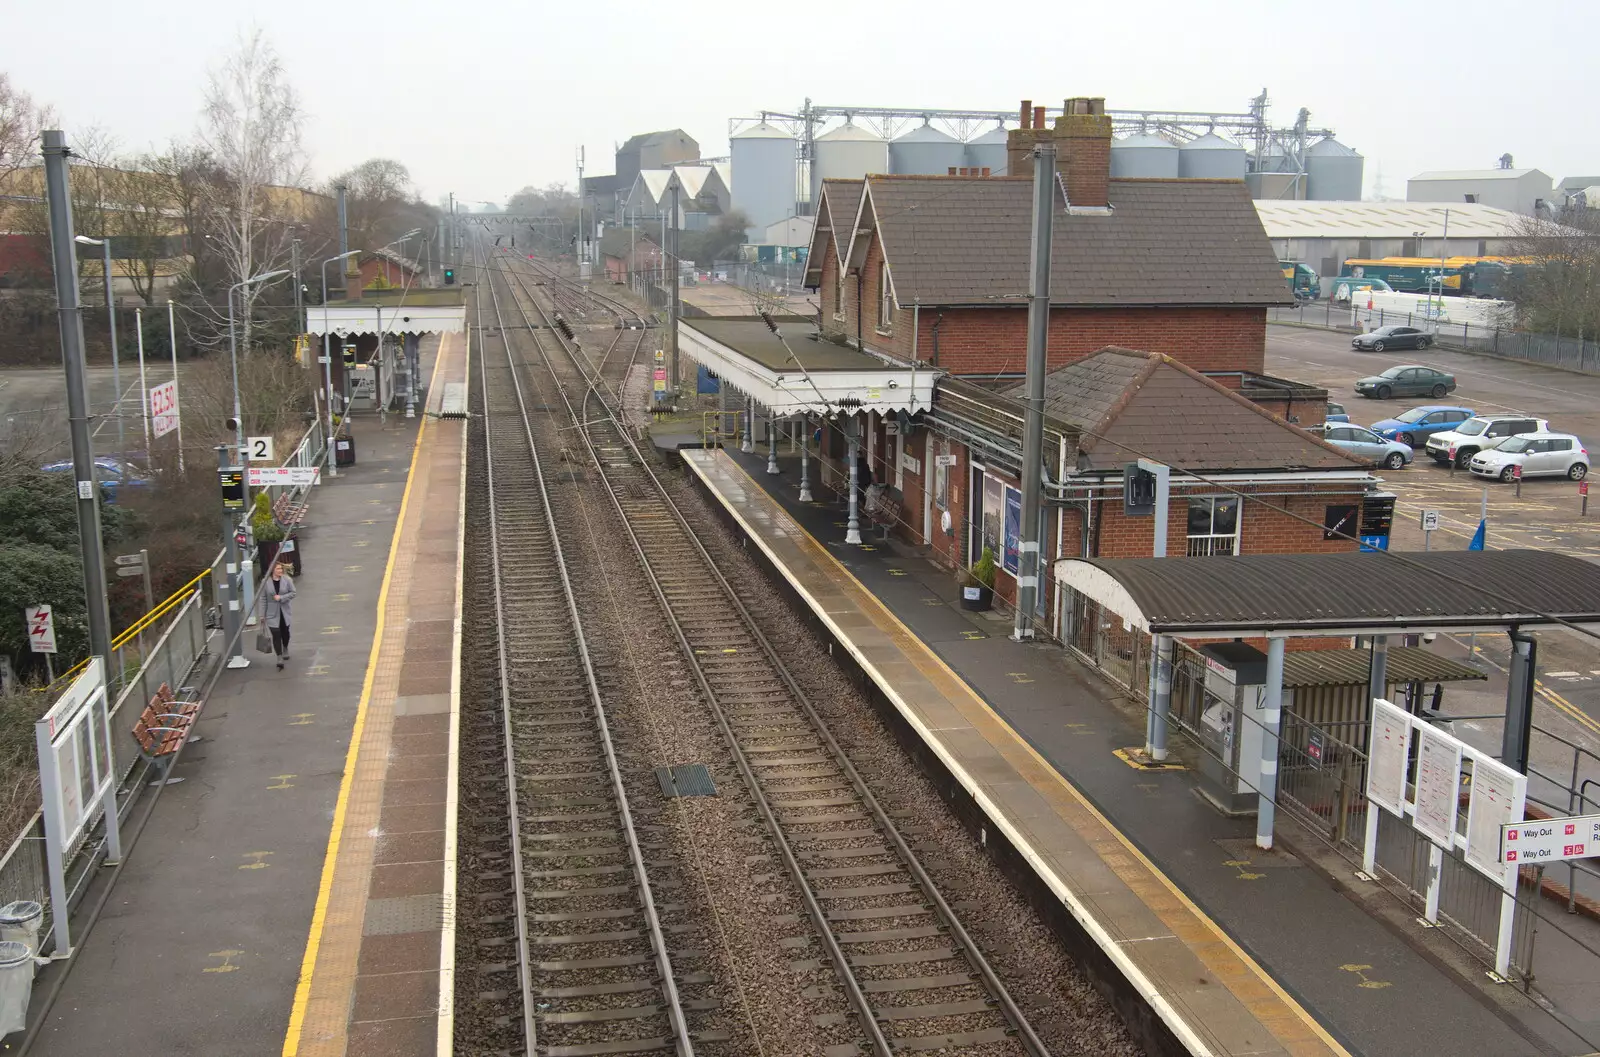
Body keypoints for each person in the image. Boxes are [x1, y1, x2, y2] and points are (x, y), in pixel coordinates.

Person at [260, 560, 296, 670]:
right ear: (272, 571)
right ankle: (279, 657)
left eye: (281, 568)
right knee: (276, 634)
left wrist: (281, 598)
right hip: (271, 613)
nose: (280, 570)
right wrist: (262, 615)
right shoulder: (265, 582)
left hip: (284, 611)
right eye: (278, 569)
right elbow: (263, 598)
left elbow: (293, 593)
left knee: (285, 633)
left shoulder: (287, 580)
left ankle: (285, 647)